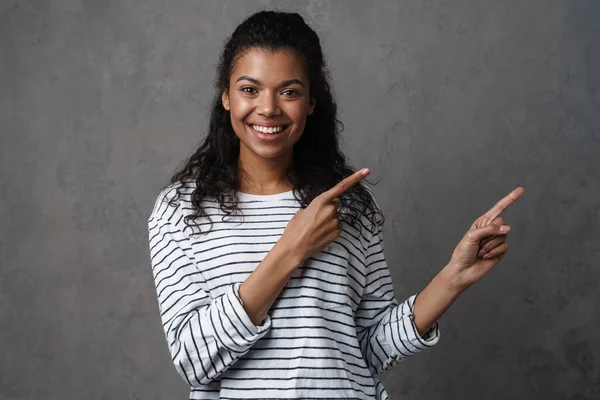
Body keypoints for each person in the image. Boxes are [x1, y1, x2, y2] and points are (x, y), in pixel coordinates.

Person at [147, 10, 525, 400]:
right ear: (226, 96)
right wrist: (291, 250)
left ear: (311, 102)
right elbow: (193, 360)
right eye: (249, 89)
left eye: (289, 91)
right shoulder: (181, 210)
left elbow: (368, 349)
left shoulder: (348, 205)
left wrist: (453, 279)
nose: (268, 108)